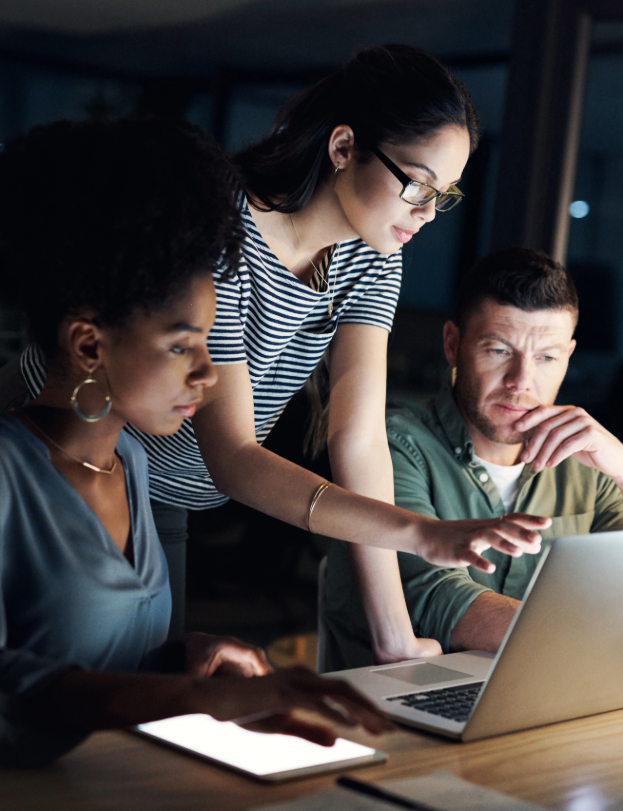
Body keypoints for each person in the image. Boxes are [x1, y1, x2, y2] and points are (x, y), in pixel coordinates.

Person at [11, 44, 548, 660]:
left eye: (444, 195)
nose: (428, 214)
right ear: (344, 147)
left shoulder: (376, 256)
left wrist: (393, 633)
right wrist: (419, 533)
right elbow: (234, 456)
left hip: (161, 485)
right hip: (67, 435)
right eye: (417, 185)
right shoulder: (220, 229)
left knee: (143, 678)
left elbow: (360, 439)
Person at [0, 118, 392, 768]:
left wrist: (188, 657)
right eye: (182, 345)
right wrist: (187, 698)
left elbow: (101, 655)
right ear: (89, 344)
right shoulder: (11, 475)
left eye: (208, 342)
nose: (209, 374)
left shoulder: (127, 462)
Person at [322, 247, 623, 687]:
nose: (521, 381)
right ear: (453, 345)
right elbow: (441, 602)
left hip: (542, 704)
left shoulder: (586, 466)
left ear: (569, 356)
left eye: (546, 358)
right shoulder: (392, 446)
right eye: (499, 350)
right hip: (393, 715)